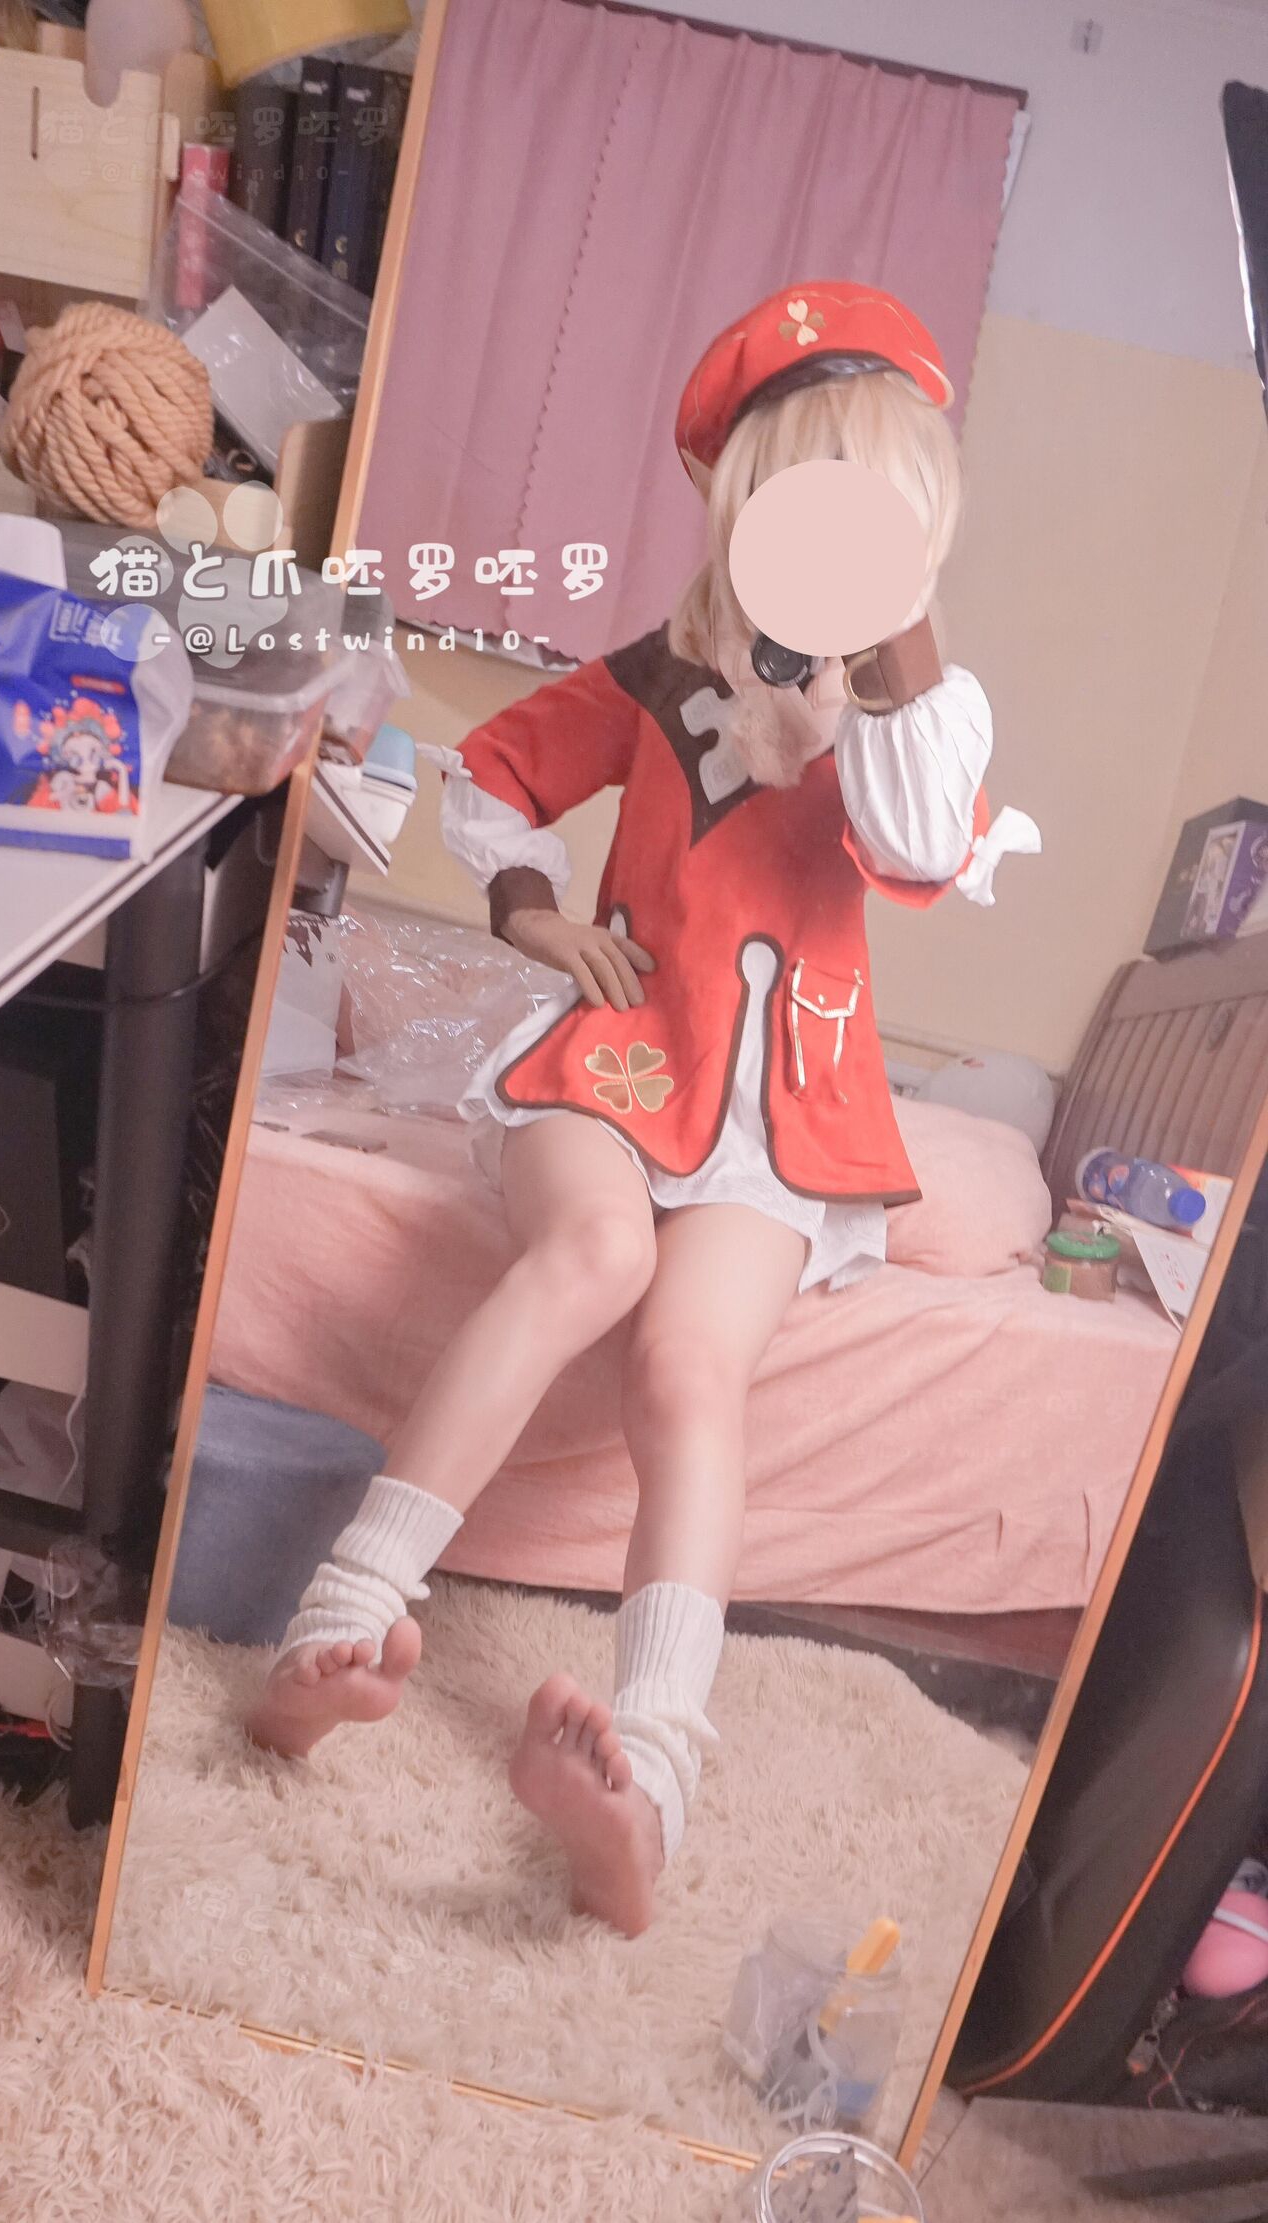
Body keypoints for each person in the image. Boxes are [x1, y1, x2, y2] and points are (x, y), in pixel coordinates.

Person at [247, 281, 1039, 1936]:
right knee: (596, 1257)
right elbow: (492, 774)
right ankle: (338, 1623)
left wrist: (889, 637)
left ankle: (650, 1785)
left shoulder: (924, 715)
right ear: (746, 505)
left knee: (691, 1365)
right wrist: (531, 911)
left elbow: (912, 840)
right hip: (614, 1062)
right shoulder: (658, 670)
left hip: (784, 1110)